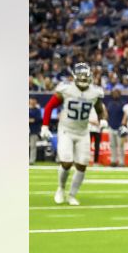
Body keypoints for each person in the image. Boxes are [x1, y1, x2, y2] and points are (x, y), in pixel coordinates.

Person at [40, 62, 107, 205]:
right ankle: (60, 188)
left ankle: (72, 195)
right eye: (81, 76)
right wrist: (45, 126)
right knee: (66, 161)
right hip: (66, 130)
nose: (83, 79)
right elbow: (49, 106)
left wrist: (102, 120)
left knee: (82, 164)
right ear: (74, 76)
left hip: (83, 132)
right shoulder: (66, 89)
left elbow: (99, 108)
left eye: (85, 76)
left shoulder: (95, 92)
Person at [105, 89, 126, 167]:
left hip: (120, 127)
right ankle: (113, 161)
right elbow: (107, 114)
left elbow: (125, 115)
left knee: (120, 146)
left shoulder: (123, 103)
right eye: (114, 93)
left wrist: (124, 126)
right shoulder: (109, 104)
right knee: (112, 145)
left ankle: (121, 162)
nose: (115, 95)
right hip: (111, 126)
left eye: (117, 93)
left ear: (119, 94)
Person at [29, 97, 42, 165]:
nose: (32, 101)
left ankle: (31, 160)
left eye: (34, 100)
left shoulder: (37, 110)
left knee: (33, 146)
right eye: (31, 100)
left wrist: (30, 120)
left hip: (34, 130)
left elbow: (38, 119)